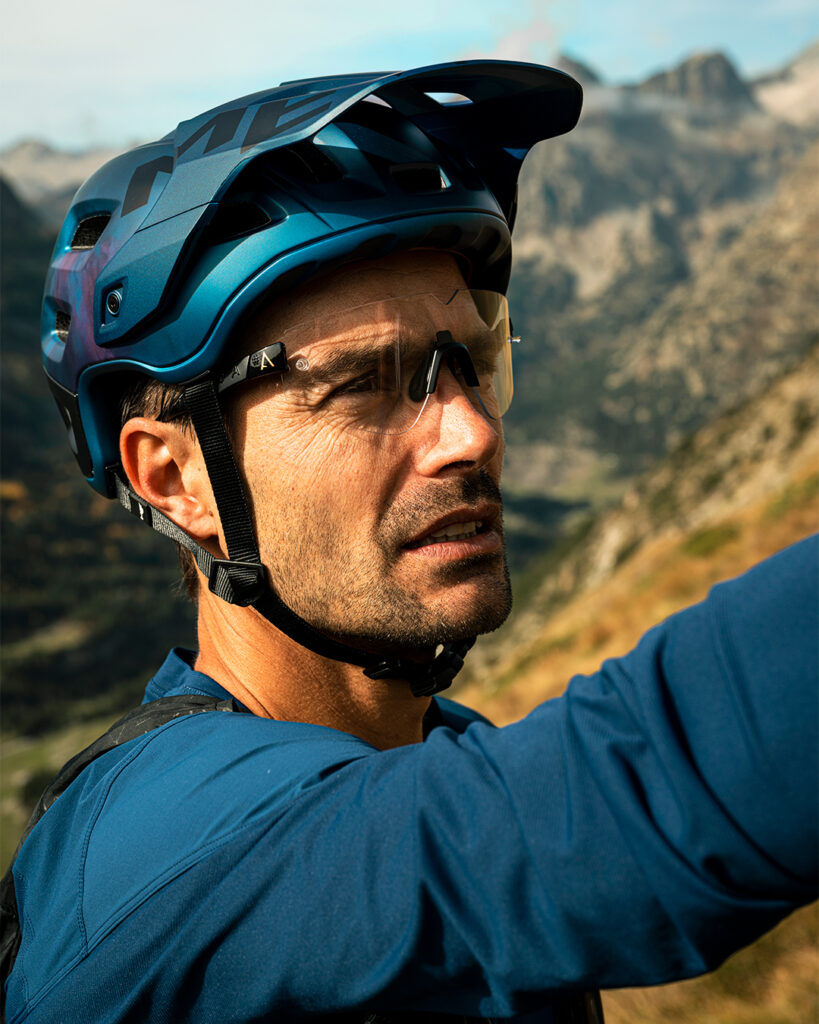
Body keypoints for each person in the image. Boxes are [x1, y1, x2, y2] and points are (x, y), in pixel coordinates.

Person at [3, 60, 816, 1023]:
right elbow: (629, 803)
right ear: (176, 479)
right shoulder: (162, 844)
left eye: (470, 362)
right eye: (362, 386)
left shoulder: (444, 750)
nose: (470, 432)